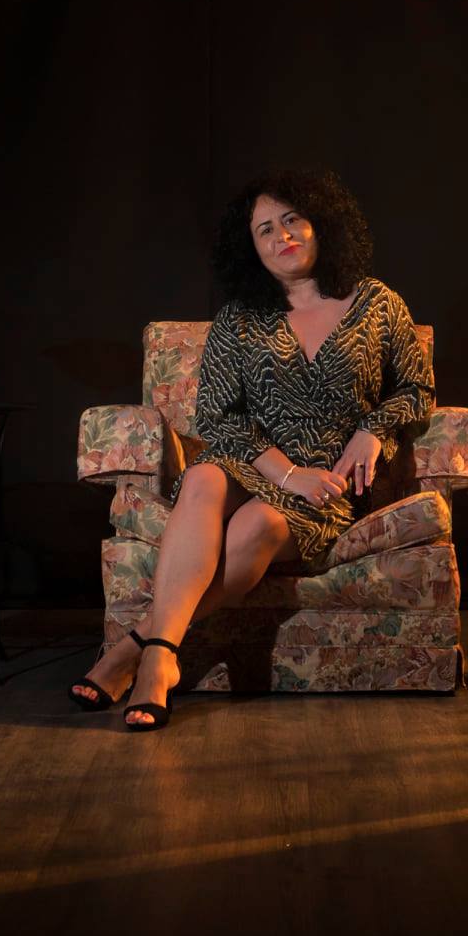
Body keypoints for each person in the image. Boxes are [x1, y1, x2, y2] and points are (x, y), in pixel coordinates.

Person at [70, 168, 435, 730]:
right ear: (252, 249)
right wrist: (287, 473)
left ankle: (133, 647)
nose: (281, 236)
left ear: (321, 224)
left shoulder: (378, 304)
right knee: (203, 476)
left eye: (292, 220)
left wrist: (372, 429)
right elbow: (216, 418)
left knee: (255, 527)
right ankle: (160, 661)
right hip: (251, 463)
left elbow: (416, 389)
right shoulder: (238, 318)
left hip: (327, 485)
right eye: (265, 229)